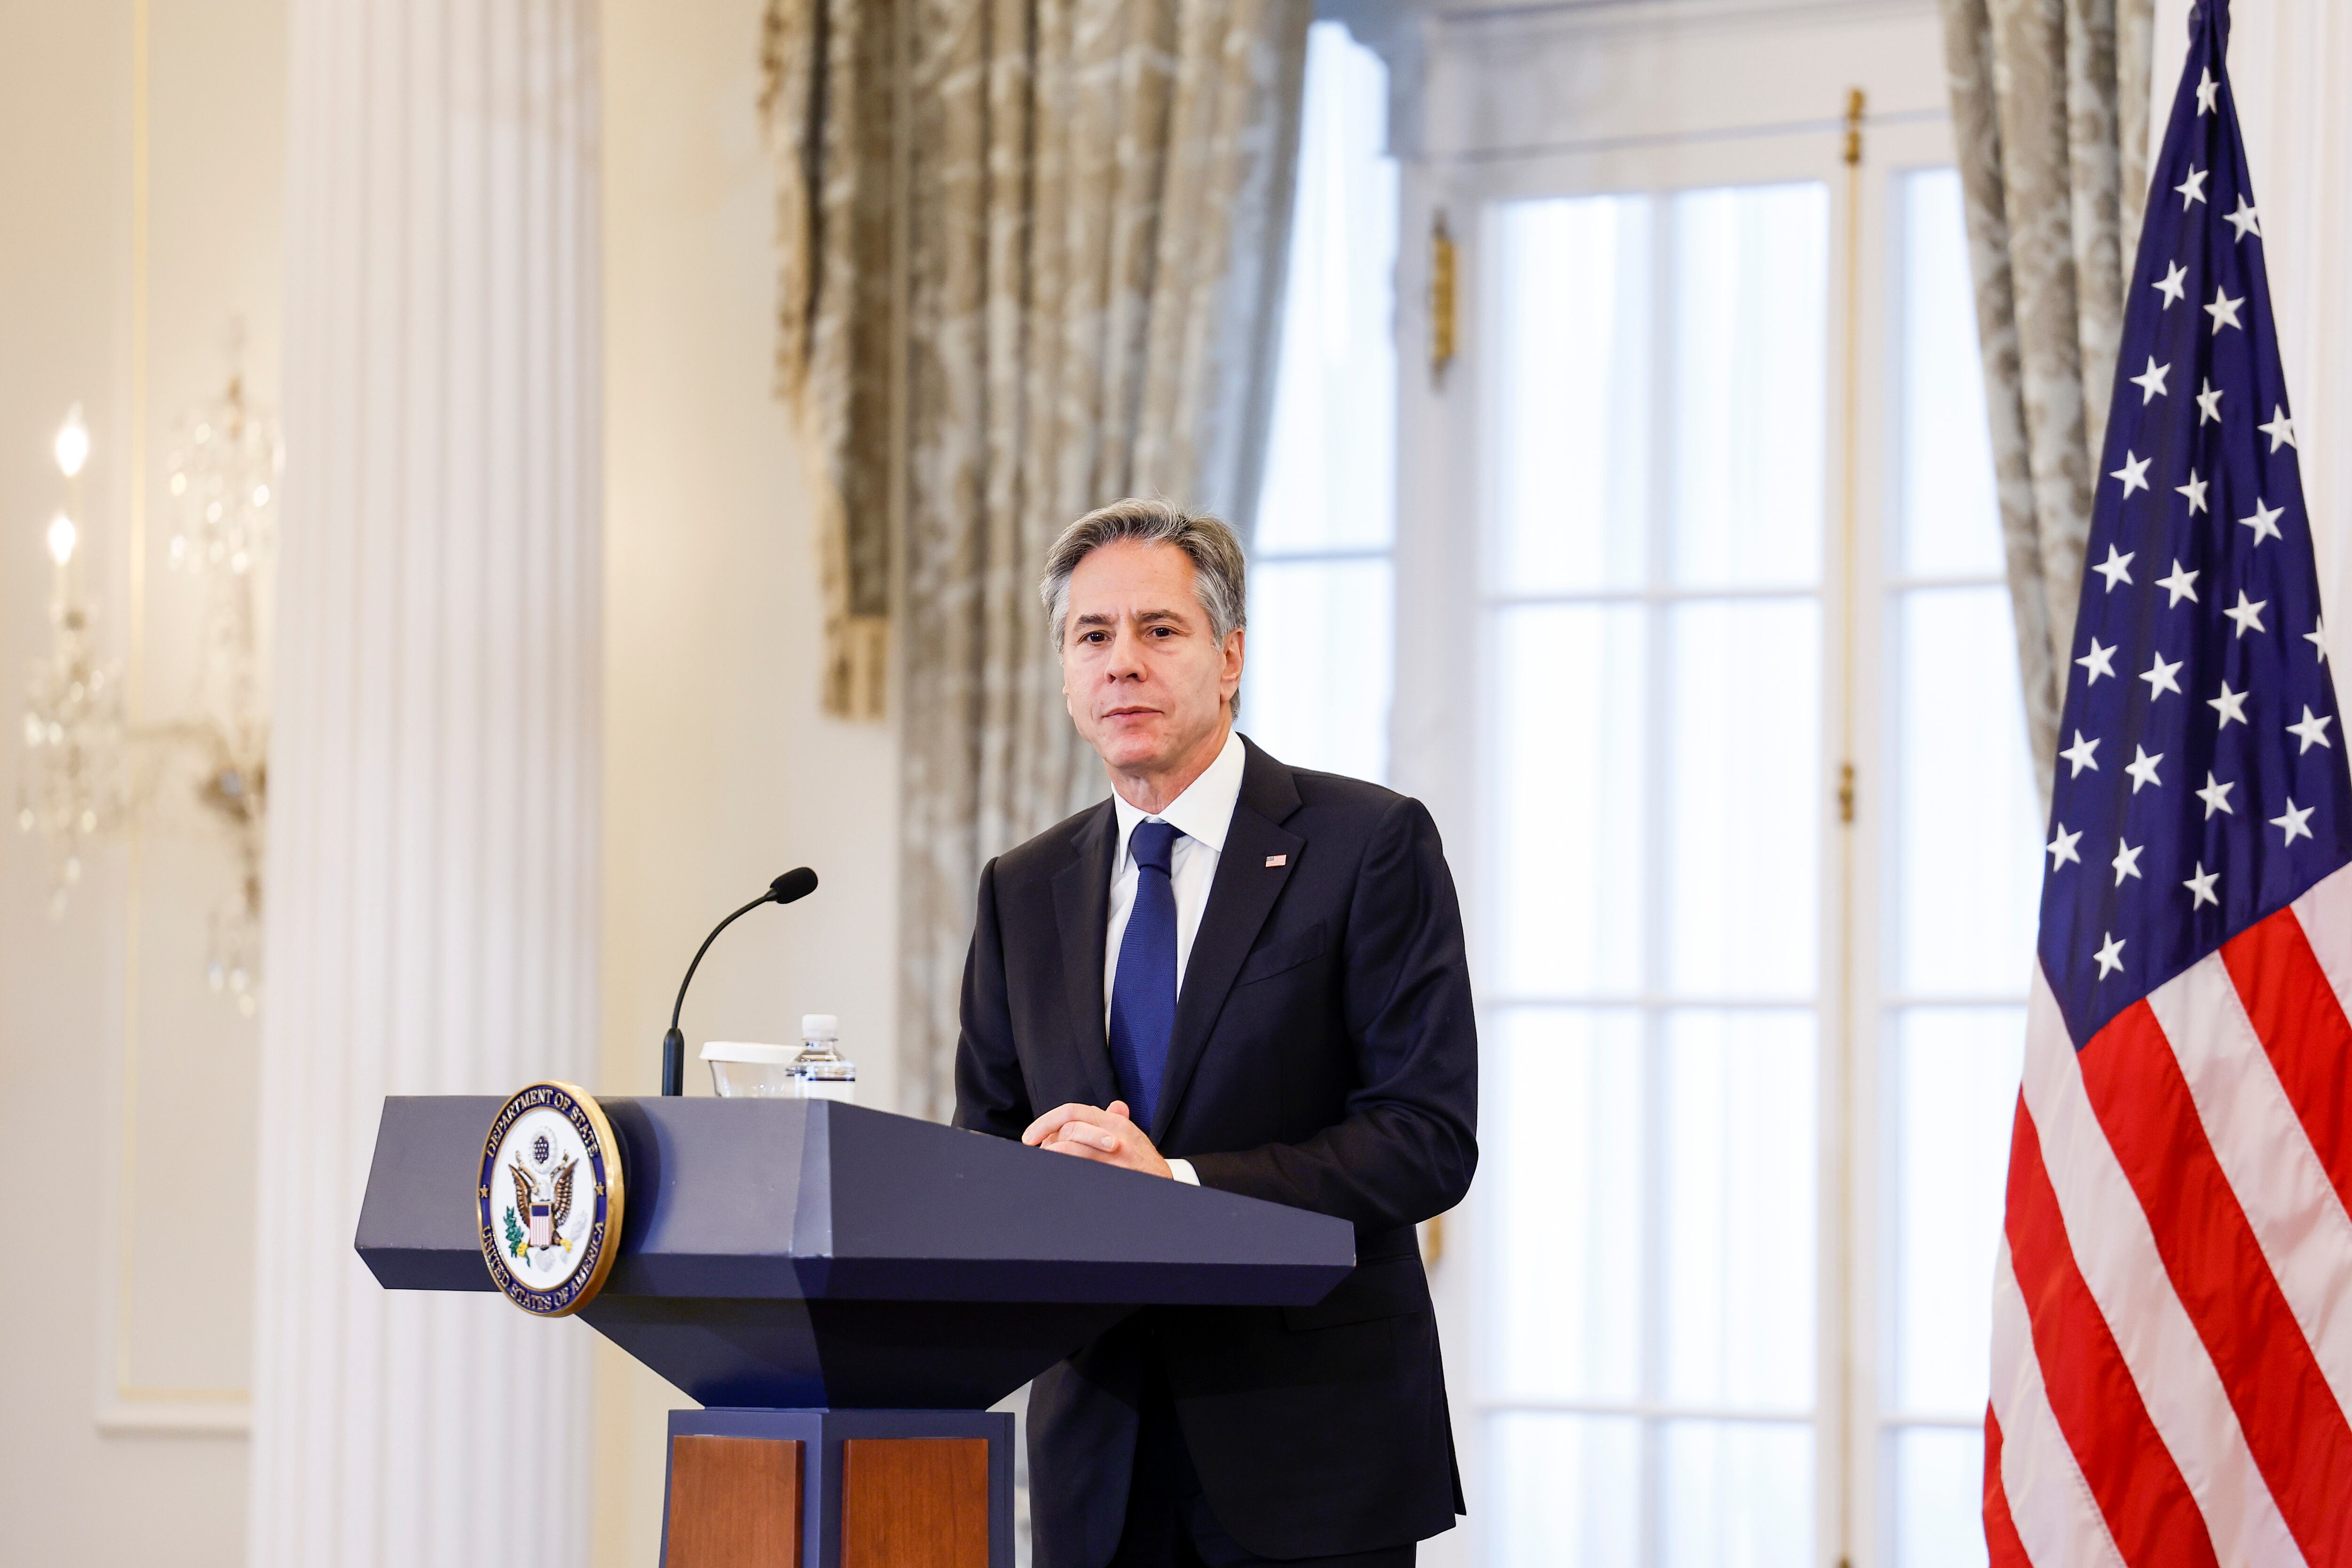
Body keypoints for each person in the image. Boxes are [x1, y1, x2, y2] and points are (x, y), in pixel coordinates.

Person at [954, 497, 1478, 1568]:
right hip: (1097, 1458)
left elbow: (1425, 1134)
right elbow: (985, 1141)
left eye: (1159, 630)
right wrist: (1031, 1176)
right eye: (1091, 637)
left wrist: (1178, 1185)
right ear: (1064, 674)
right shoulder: (1023, 887)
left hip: (1309, 1447)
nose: (1121, 664)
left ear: (1229, 656)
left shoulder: (1367, 844)